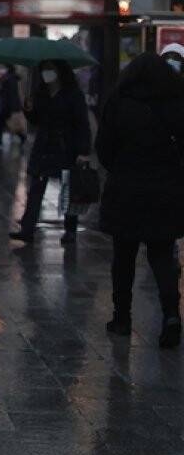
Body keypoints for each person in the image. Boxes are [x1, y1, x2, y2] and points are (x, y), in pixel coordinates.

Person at [95, 52, 183, 348]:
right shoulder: (176, 104)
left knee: (124, 257)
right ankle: (171, 314)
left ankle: (122, 318)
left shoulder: (119, 103)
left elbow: (104, 149)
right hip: (166, 191)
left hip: (126, 190)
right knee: (162, 257)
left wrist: (121, 168)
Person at [11, 60, 92, 245]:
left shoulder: (73, 95)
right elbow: (37, 120)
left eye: (51, 69)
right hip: (44, 145)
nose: (47, 73)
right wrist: (28, 108)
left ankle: (70, 230)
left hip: (65, 146)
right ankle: (27, 228)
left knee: (68, 189)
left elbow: (82, 124)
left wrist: (83, 150)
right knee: (36, 188)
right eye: (44, 69)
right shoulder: (41, 93)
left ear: (60, 71)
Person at [0, 64, 27, 149]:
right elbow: (4, 91)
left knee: (2, 122)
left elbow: (9, 94)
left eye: (3, 68)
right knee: (4, 122)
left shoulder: (9, 79)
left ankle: (0, 142)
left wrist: (10, 107)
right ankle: (20, 137)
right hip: (9, 105)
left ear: (8, 69)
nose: (1, 69)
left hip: (8, 105)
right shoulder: (11, 78)